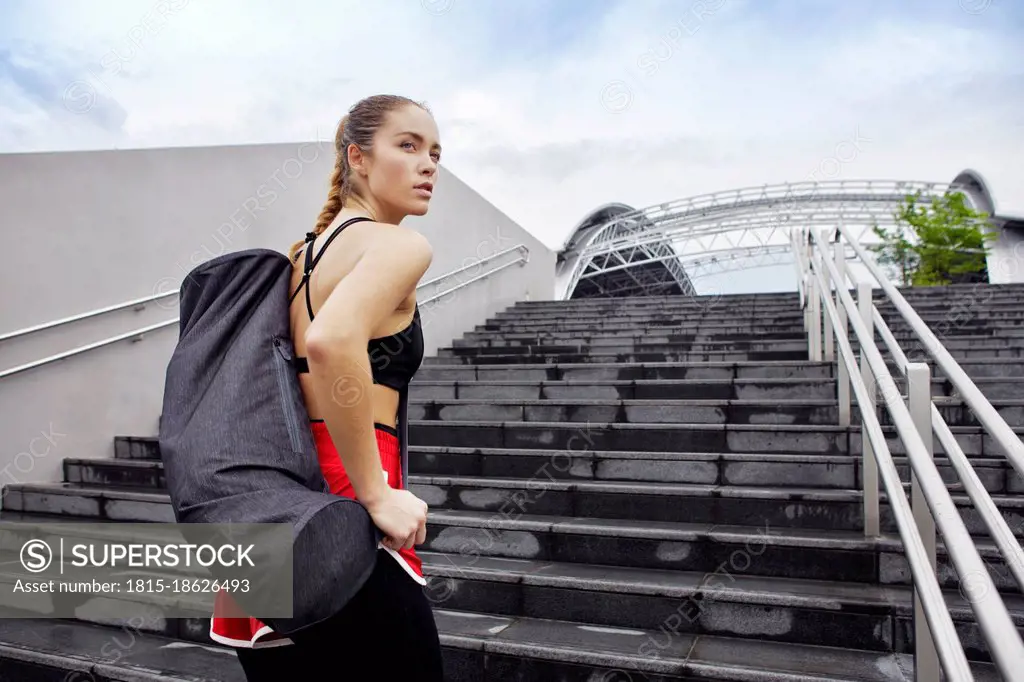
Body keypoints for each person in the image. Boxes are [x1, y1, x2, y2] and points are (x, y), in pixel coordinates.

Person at [208, 94, 445, 680]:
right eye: (409, 145)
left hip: (273, 507)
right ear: (358, 158)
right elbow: (332, 344)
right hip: (343, 513)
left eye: (436, 152)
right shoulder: (398, 244)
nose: (429, 165)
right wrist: (375, 493)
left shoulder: (299, 262)